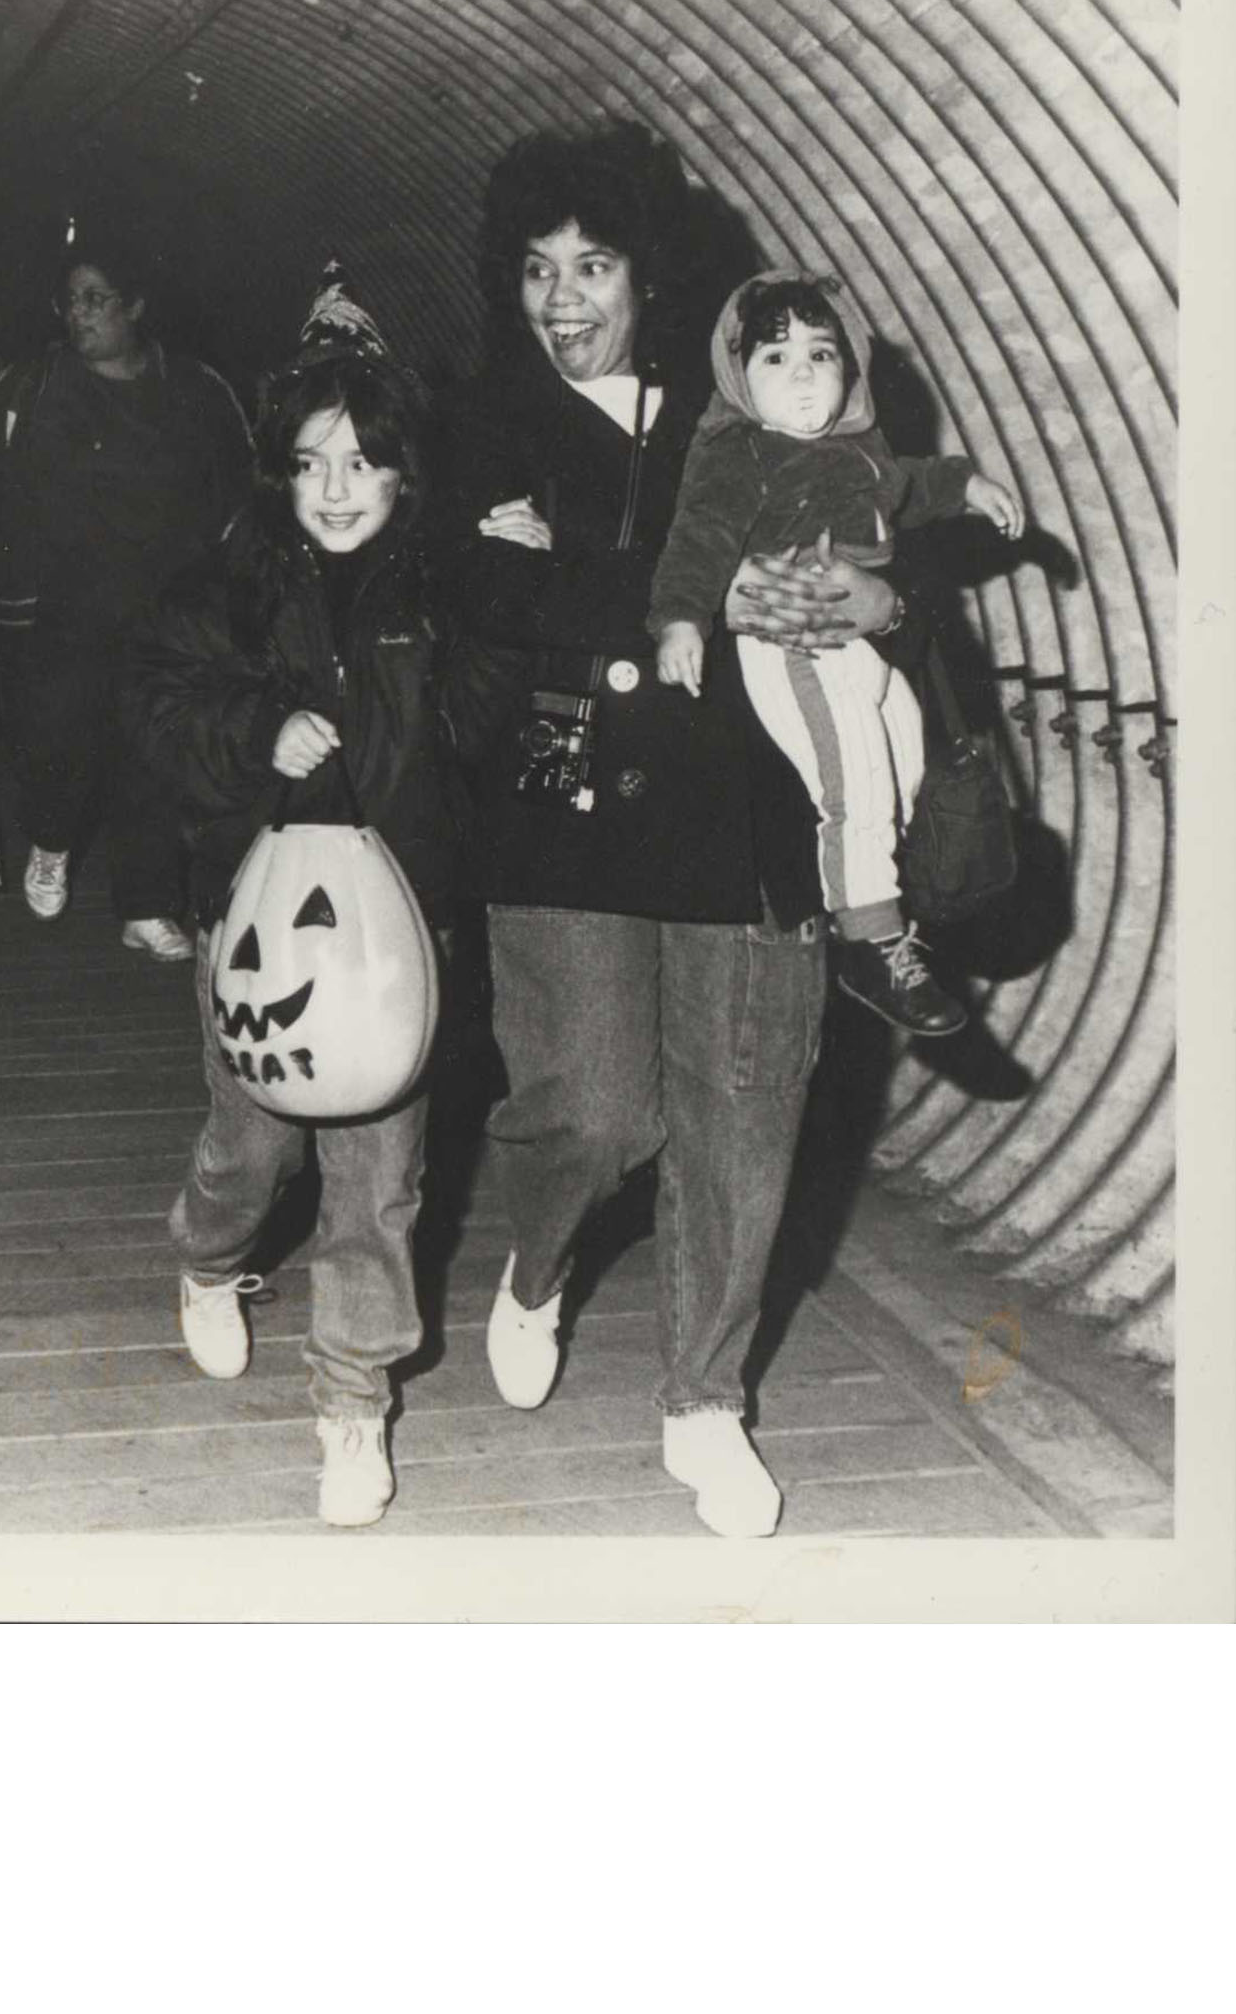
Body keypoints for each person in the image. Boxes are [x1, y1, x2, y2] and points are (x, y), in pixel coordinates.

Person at [439, 123, 910, 1540]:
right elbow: (486, 598)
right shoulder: (481, 423)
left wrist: (880, 601)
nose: (561, 296)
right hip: (565, 809)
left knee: (742, 1110)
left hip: (754, 807)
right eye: (535, 268)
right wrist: (661, 595)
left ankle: (705, 1404)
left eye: (591, 263)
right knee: (595, 1110)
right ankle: (538, 1258)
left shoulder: (759, 399)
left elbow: (879, 534)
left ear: (654, 277)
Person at [123, 276, 516, 1527]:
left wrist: (498, 595)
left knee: (378, 1170)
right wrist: (255, 727)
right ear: (277, 475)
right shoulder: (227, 585)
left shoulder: (446, 590)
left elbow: (487, 732)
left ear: (404, 468)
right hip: (262, 921)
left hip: (398, 930)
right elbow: (165, 711)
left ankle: (354, 1400)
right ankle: (208, 1251)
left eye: (363, 461)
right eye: (310, 463)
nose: (337, 488)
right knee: (255, 1140)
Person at [649, 271, 1024, 1036]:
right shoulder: (741, 455)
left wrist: (969, 485)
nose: (803, 375)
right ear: (739, 376)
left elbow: (909, 487)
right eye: (776, 358)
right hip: (793, 646)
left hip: (860, 650)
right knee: (852, 777)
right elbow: (699, 537)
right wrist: (680, 619)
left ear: (850, 370)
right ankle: (869, 938)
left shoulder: (860, 453)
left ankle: (889, 904)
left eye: (822, 354)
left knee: (900, 763)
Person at [0, 223, 253, 961]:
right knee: (55, 746)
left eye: (96, 299)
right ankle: (49, 839)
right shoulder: (28, 385)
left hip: (159, 615)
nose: (79, 314)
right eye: (70, 300)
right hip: (48, 614)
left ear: (136, 306)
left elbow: (244, 488)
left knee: (149, 757)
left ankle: (144, 906)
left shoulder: (195, 390)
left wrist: (224, 584)